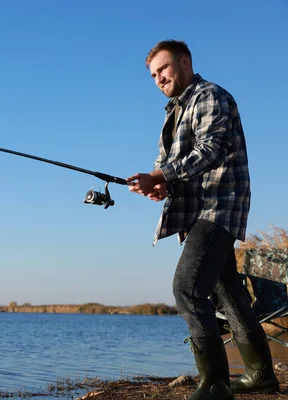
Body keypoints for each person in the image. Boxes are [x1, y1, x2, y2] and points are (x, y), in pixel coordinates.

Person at [127, 40, 279, 399]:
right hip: (197, 212)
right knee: (224, 290)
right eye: (153, 75)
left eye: (163, 69)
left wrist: (162, 175)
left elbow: (212, 148)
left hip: (219, 205)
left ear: (185, 61)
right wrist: (158, 187)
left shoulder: (210, 96)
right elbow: (171, 166)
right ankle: (260, 375)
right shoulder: (173, 112)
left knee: (187, 288)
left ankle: (214, 385)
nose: (159, 78)